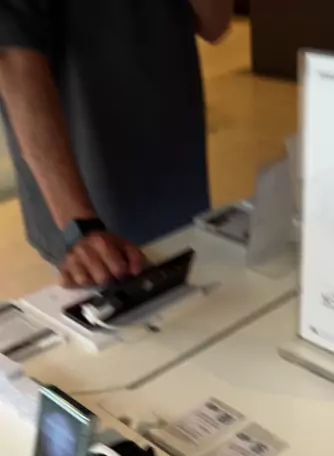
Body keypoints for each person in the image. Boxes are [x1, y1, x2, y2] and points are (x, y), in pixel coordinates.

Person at [0, 0, 232, 287]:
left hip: (174, 165)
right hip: (90, 197)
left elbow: (214, 26)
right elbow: (14, 60)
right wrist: (79, 225)